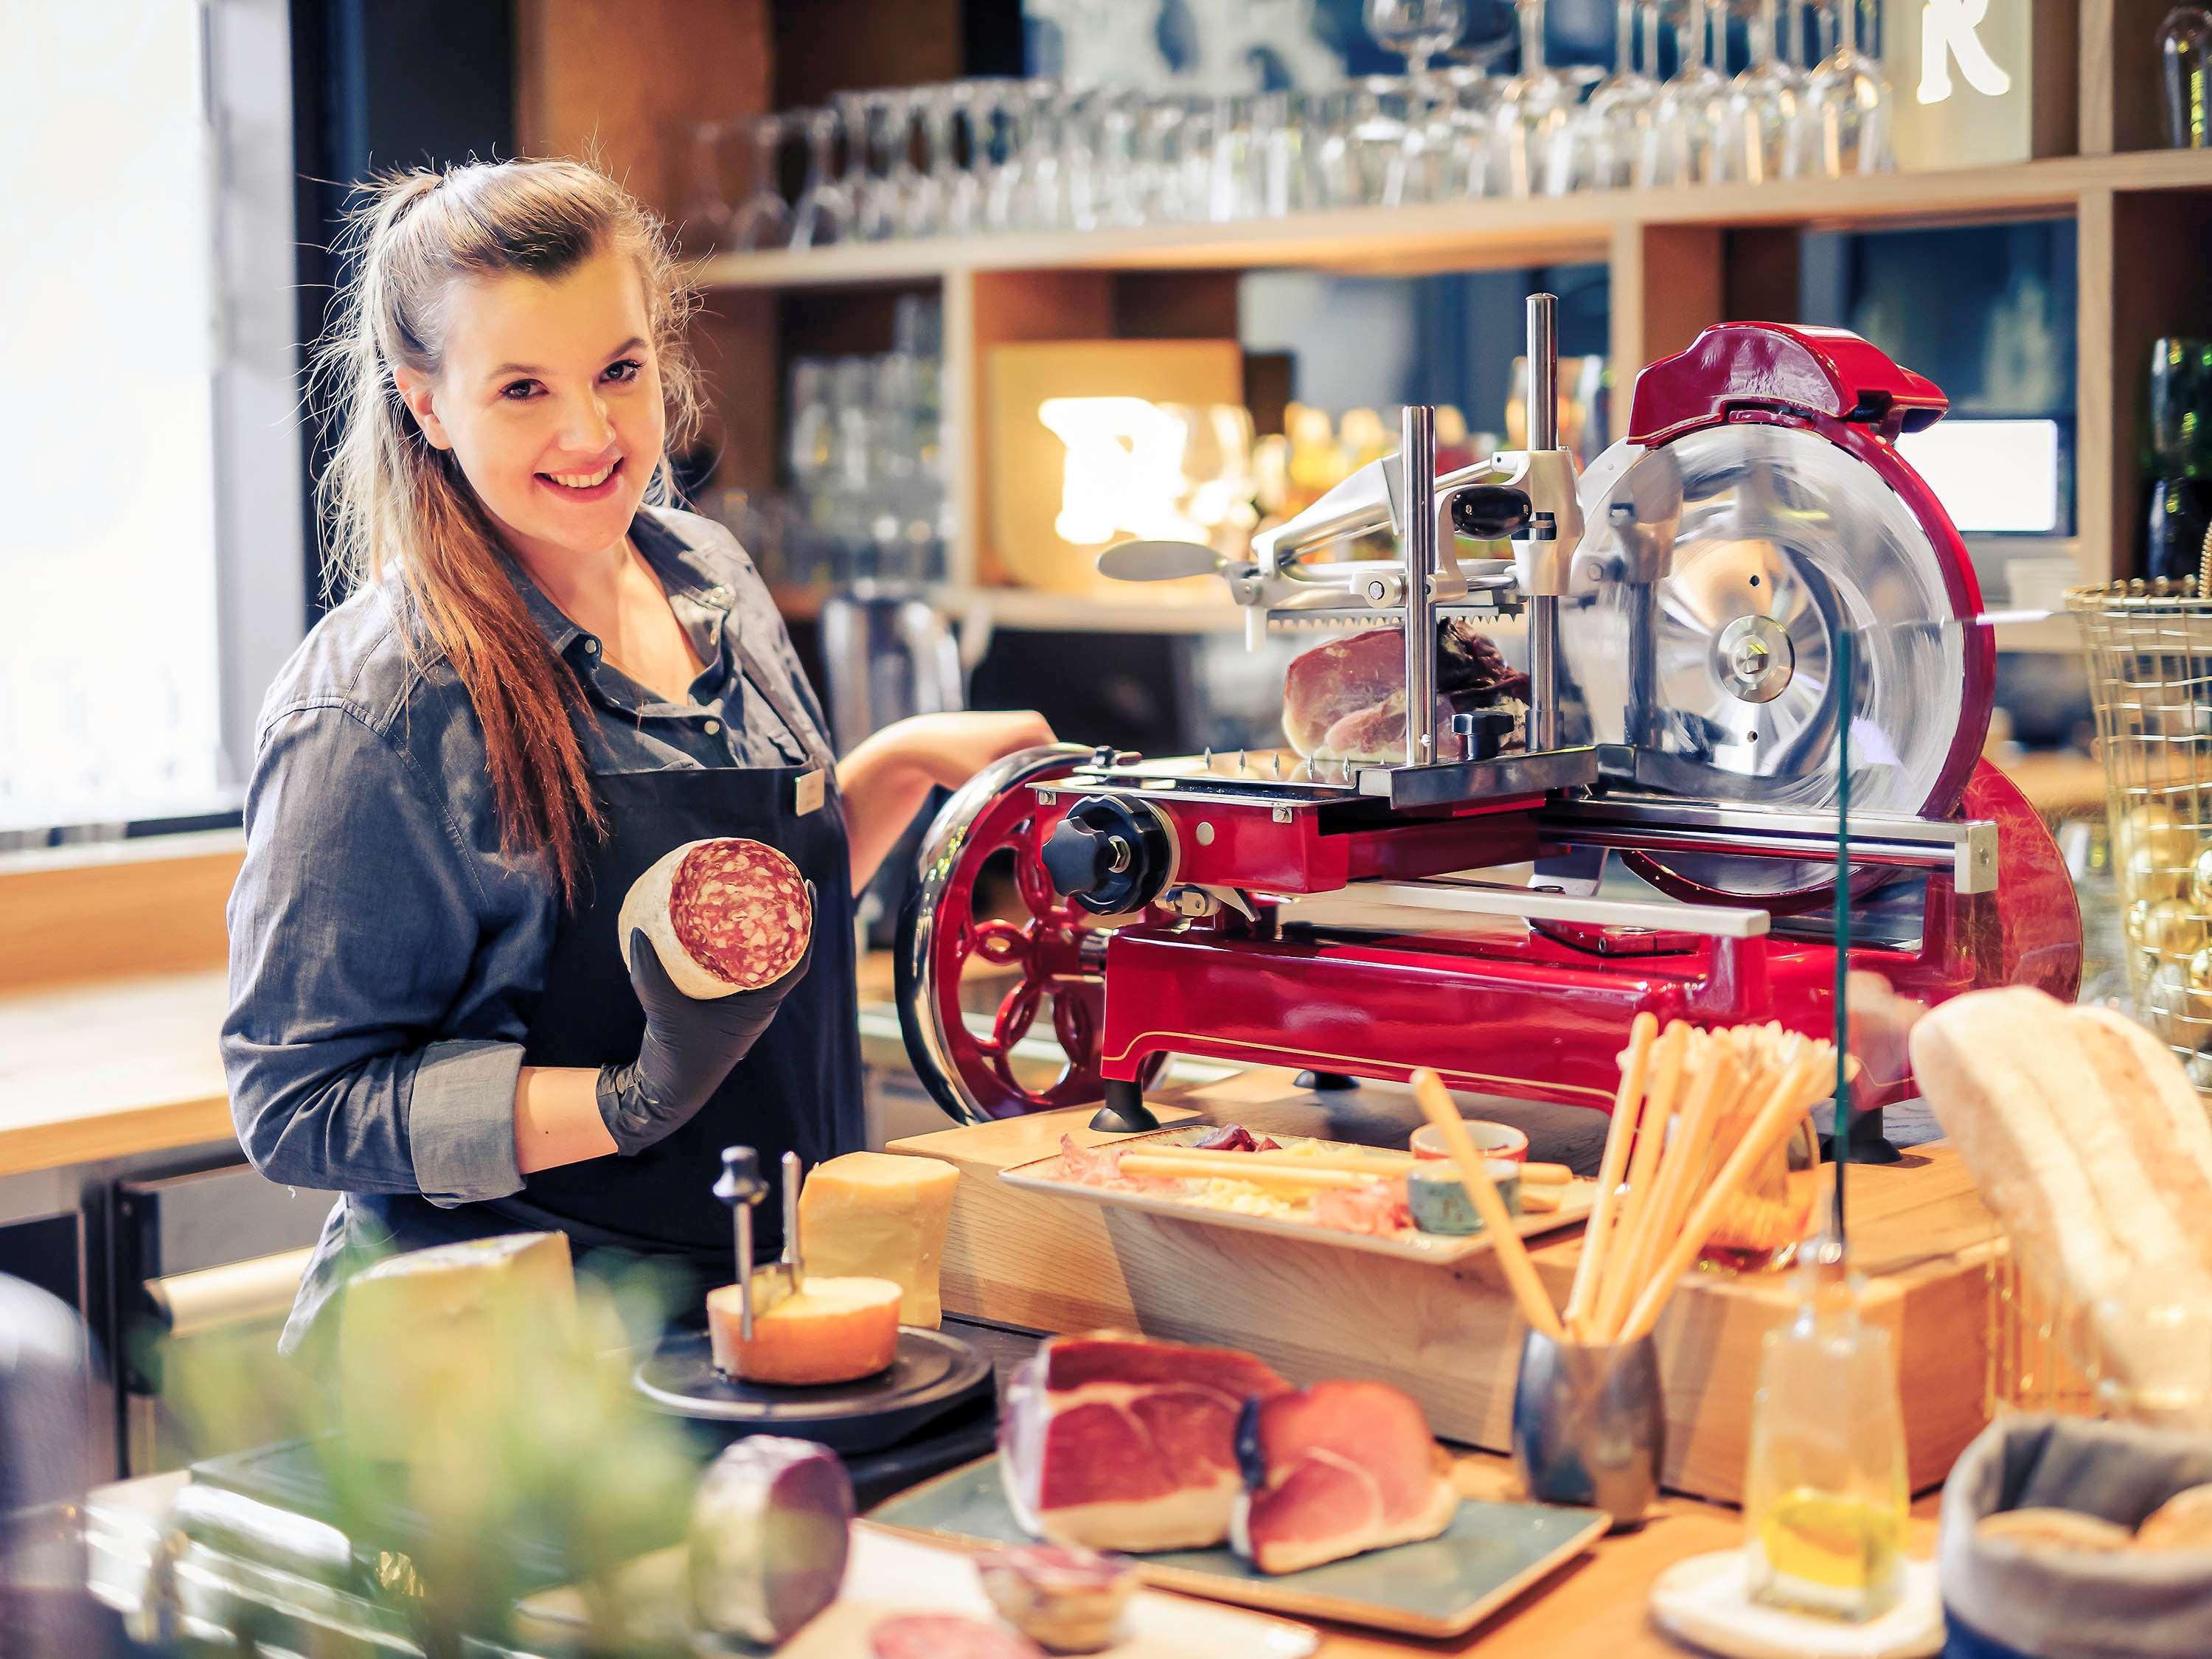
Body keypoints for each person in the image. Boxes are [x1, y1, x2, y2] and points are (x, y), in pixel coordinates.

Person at [222, 158, 1053, 1357]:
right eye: (521, 389)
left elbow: (748, 925)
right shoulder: (376, 704)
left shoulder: (709, 577)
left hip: (762, 1303)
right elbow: (297, 1106)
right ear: (426, 403)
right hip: (507, 1386)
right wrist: (626, 1100)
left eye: (620, 369)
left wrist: (899, 766)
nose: (590, 431)